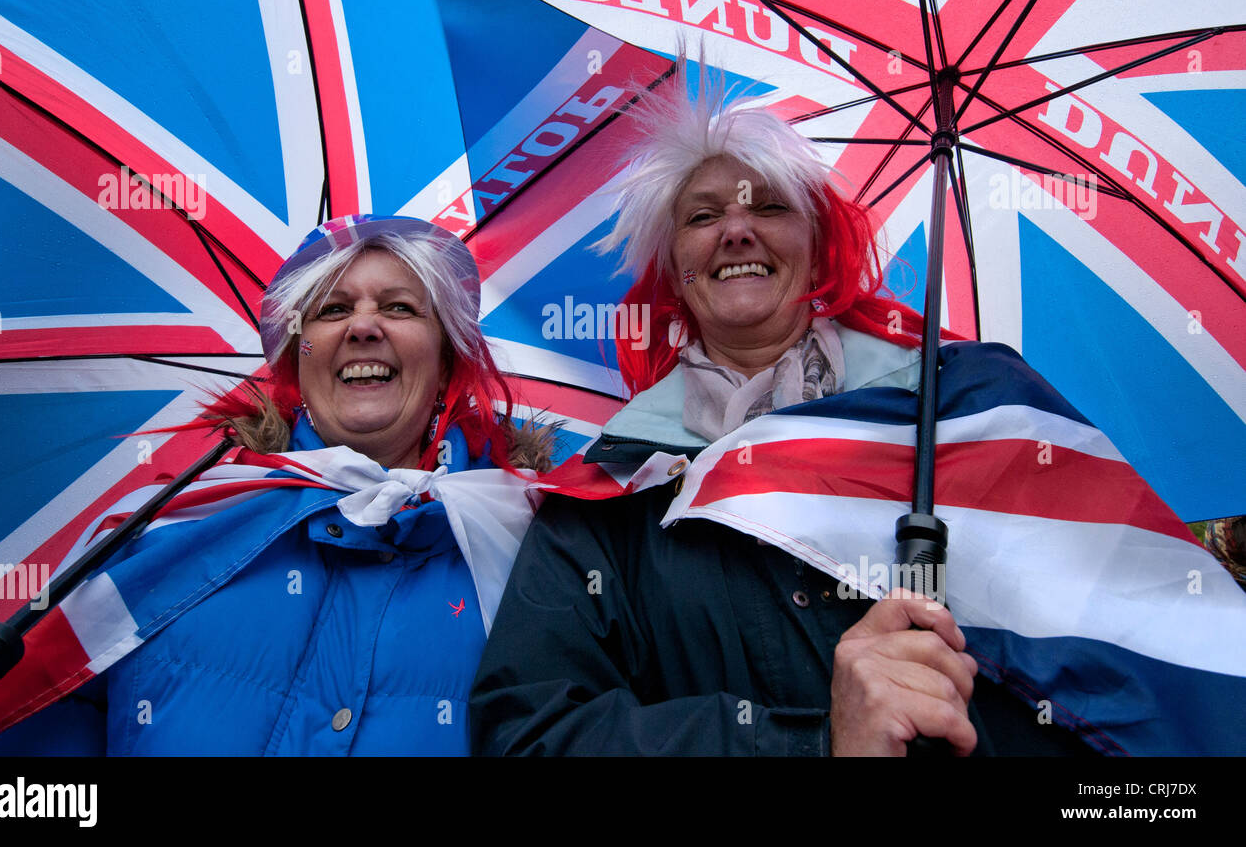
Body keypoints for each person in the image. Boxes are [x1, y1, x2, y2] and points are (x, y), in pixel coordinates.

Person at [469, 63, 1116, 757]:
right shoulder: (610, 495)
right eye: (703, 215)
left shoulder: (961, 415)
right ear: (674, 272)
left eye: (770, 207)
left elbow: (1105, 671)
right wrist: (814, 743)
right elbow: (530, 734)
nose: (738, 230)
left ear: (817, 251)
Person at [0, 213, 550, 756]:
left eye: (400, 308)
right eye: (332, 310)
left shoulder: (536, 550)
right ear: (296, 358)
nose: (364, 326)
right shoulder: (167, 529)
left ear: (446, 359)